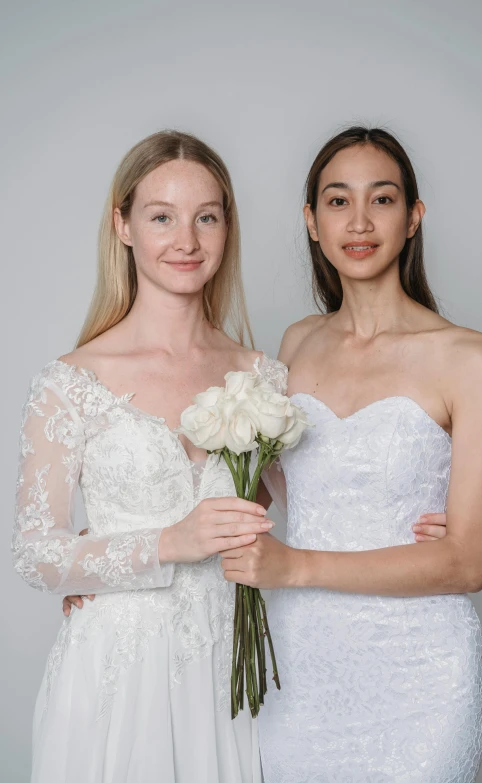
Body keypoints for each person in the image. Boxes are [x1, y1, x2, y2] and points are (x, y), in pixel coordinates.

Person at [222, 127, 482, 782]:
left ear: (413, 218)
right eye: (336, 200)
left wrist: (296, 565)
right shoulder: (295, 343)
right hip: (300, 665)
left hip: (422, 674)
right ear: (312, 222)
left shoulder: (470, 358)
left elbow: (469, 562)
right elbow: (268, 494)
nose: (358, 221)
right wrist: (122, 546)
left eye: (381, 200)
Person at [12, 129, 289, 783]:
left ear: (227, 227)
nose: (186, 240)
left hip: (230, 673)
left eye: (206, 217)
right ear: (124, 224)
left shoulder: (265, 379)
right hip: (115, 678)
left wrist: (407, 524)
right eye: (161, 216)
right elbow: (36, 553)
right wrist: (165, 541)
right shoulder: (70, 382)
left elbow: (313, 508)